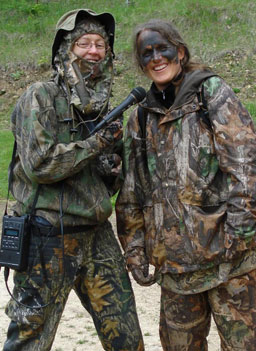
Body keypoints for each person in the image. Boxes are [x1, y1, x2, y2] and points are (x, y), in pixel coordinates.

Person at [2, 9, 144, 351]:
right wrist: (96, 143)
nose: (93, 51)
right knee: (30, 337)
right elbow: (41, 164)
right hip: (46, 236)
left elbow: (105, 180)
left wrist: (112, 163)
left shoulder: (103, 106)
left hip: (96, 235)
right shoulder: (40, 96)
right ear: (66, 50)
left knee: (126, 337)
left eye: (100, 44)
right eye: (84, 43)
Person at [115, 18, 256, 351]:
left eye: (161, 48)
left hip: (229, 264)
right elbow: (131, 189)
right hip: (176, 270)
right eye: (146, 53)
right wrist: (134, 248)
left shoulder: (212, 94)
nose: (155, 58)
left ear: (179, 51)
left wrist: (239, 237)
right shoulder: (140, 116)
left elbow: (246, 168)